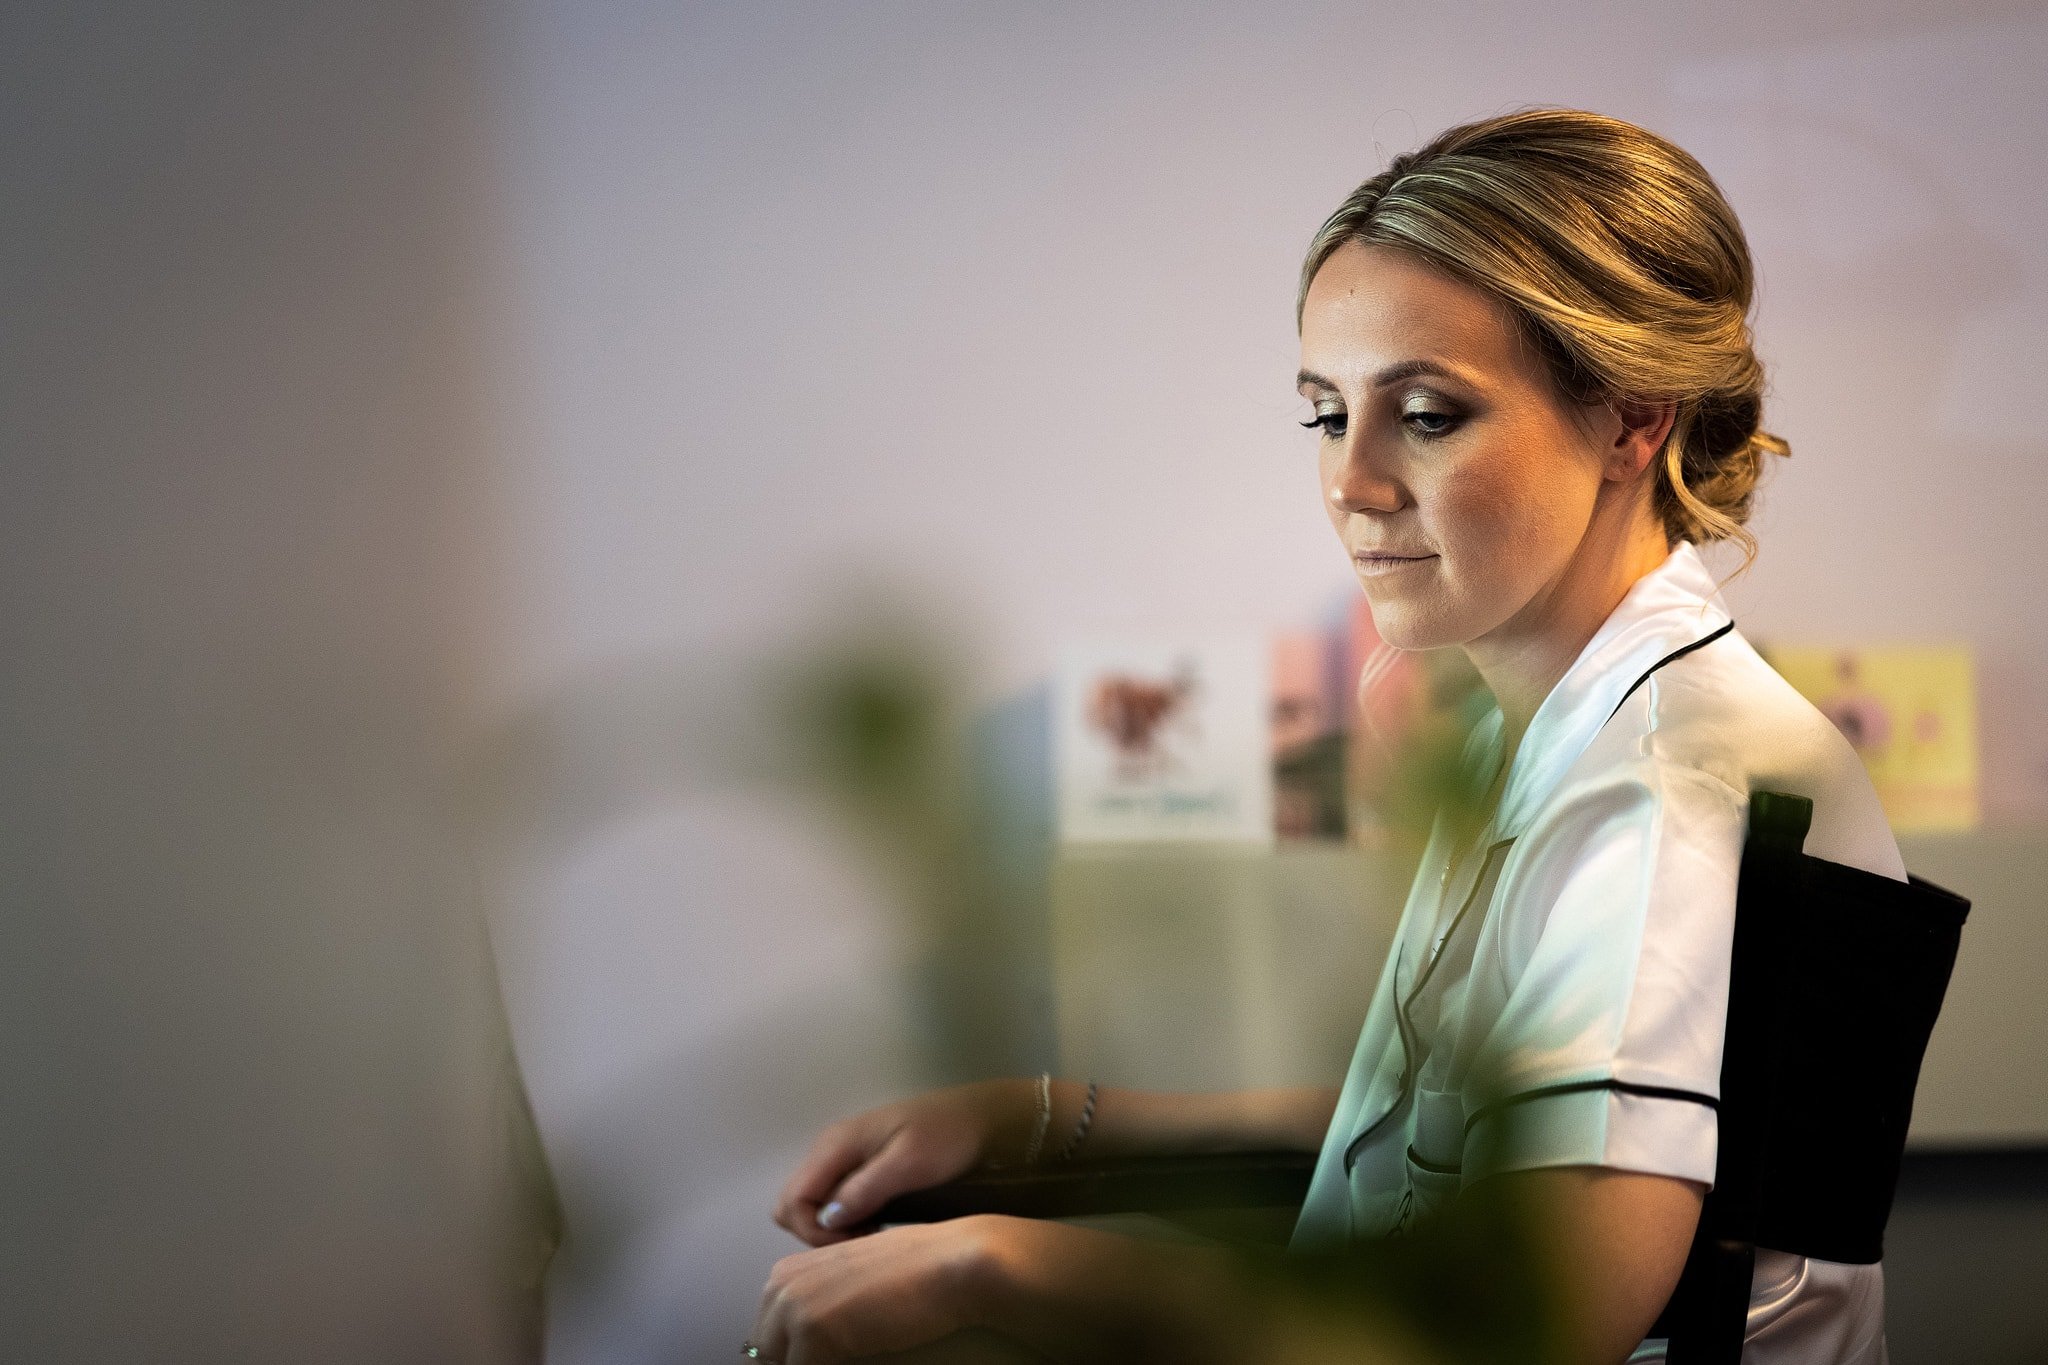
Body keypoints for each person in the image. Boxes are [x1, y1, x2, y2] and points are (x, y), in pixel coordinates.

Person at [749, 108, 1905, 1365]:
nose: (1350, 481)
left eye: (1423, 416)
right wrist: (1046, 1119)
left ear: (1632, 421)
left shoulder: (1662, 782)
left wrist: (1005, 1261)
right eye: (1322, 414)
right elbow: (1446, 1133)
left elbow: (1529, 1322)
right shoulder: (1553, 729)